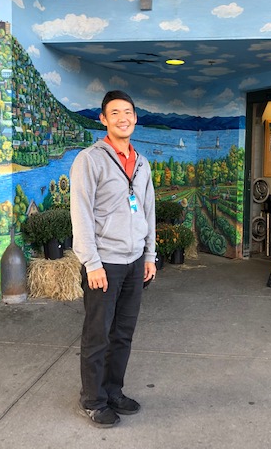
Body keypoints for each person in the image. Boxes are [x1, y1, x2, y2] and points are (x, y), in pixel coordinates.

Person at [70, 90, 156, 428]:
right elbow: (81, 214)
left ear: (135, 118)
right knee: (97, 335)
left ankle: (113, 391)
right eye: (115, 113)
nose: (123, 118)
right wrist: (91, 262)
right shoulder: (89, 159)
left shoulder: (143, 162)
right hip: (104, 263)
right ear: (103, 119)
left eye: (129, 112)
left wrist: (150, 255)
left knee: (123, 333)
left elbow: (147, 210)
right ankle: (92, 399)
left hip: (135, 262)